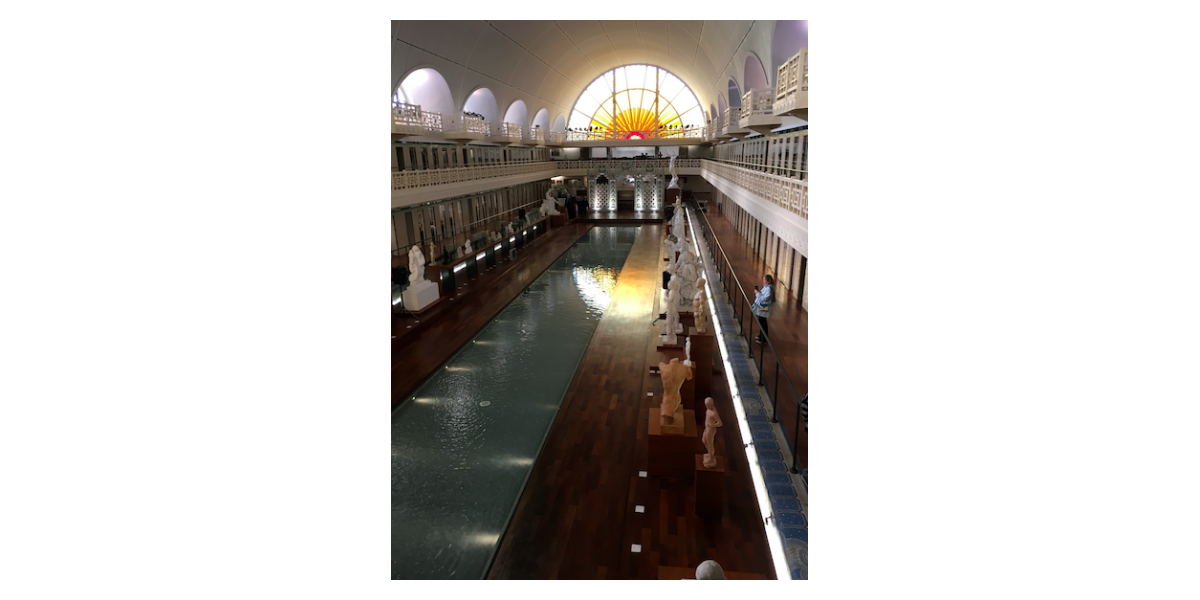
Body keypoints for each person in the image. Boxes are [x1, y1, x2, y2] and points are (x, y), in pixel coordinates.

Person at [751, 274, 775, 344]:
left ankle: (764, 338)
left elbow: (764, 298)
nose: (763, 281)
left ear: (767, 281)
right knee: (762, 320)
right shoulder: (767, 287)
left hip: (765, 305)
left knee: (762, 321)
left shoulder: (769, 289)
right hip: (763, 305)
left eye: (764, 279)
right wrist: (759, 292)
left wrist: (757, 293)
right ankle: (761, 335)